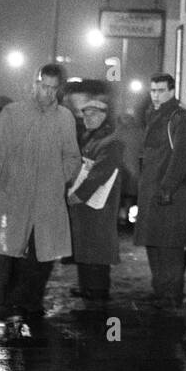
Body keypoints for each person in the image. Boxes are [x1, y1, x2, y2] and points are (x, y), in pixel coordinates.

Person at [0, 63, 80, 335]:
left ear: (59, 90)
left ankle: (31, 302)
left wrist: (61, 176)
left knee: (42, 254)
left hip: (47, 198)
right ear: (35, 83)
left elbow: (72, 155)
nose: (46, 92)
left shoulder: (65, 118)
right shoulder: (13, 113)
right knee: (11, 252)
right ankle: (13, 305)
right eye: (42, 85)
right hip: (15, 195)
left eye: (52, 88)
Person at [135, 73, 186, 309]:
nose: (156, 95)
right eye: (153, 90)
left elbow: (182, 154)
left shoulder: (179, 117)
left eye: (161, 90)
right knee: (154, 242)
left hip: (169, 191)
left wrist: (168, 186)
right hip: (152, 190)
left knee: (169, 245)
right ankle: (160, 290)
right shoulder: (154, 115)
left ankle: (172, 293)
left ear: (171, 91)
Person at [66, 97, 122, 300]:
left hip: (99, 204)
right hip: (88, 204)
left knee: (97, 248)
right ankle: (86, 285)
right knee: (86, 246)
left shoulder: (110, 142)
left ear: (104, 117)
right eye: (85, 115)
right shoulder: (91, 138)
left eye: (93, 115)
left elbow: (99, 173)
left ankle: (97, 289)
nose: (87, 119)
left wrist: (78, 195)